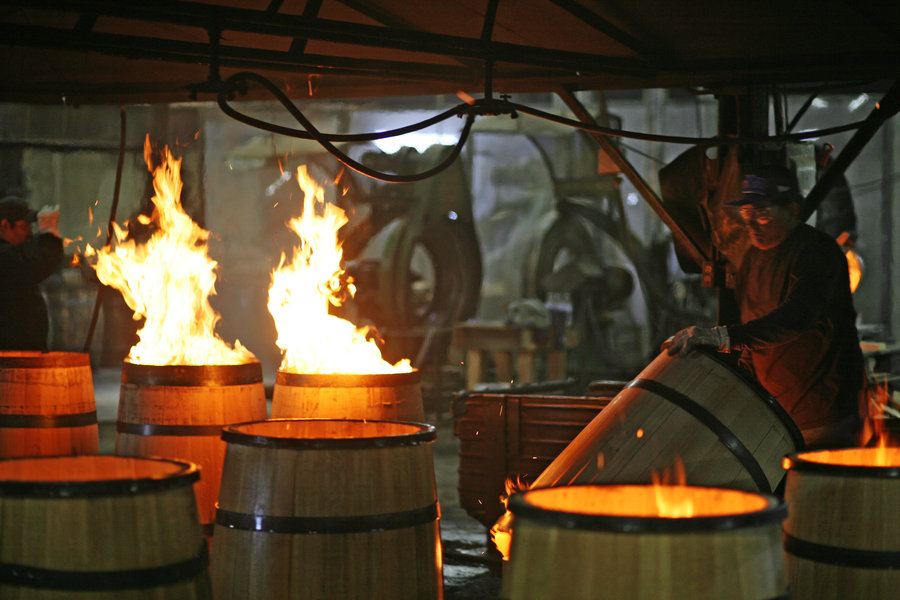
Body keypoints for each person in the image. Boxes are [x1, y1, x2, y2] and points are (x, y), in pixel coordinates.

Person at [664, 165, 865, 450]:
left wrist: (722, 337)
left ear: (793, 210)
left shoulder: (818, 253)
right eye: (747, 215)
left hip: (824, 415)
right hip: (777, 415)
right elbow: (752, 333)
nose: (752, 225)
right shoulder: (751, 261)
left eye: (763, 214)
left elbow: (795, 318)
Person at [0, 195, 63, 351]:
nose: (29, 233)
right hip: (10, 353)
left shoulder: (13, 252)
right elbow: (34, 264)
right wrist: (49, 234)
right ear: (5, 225)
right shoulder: (5, 257)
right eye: (24, 226)